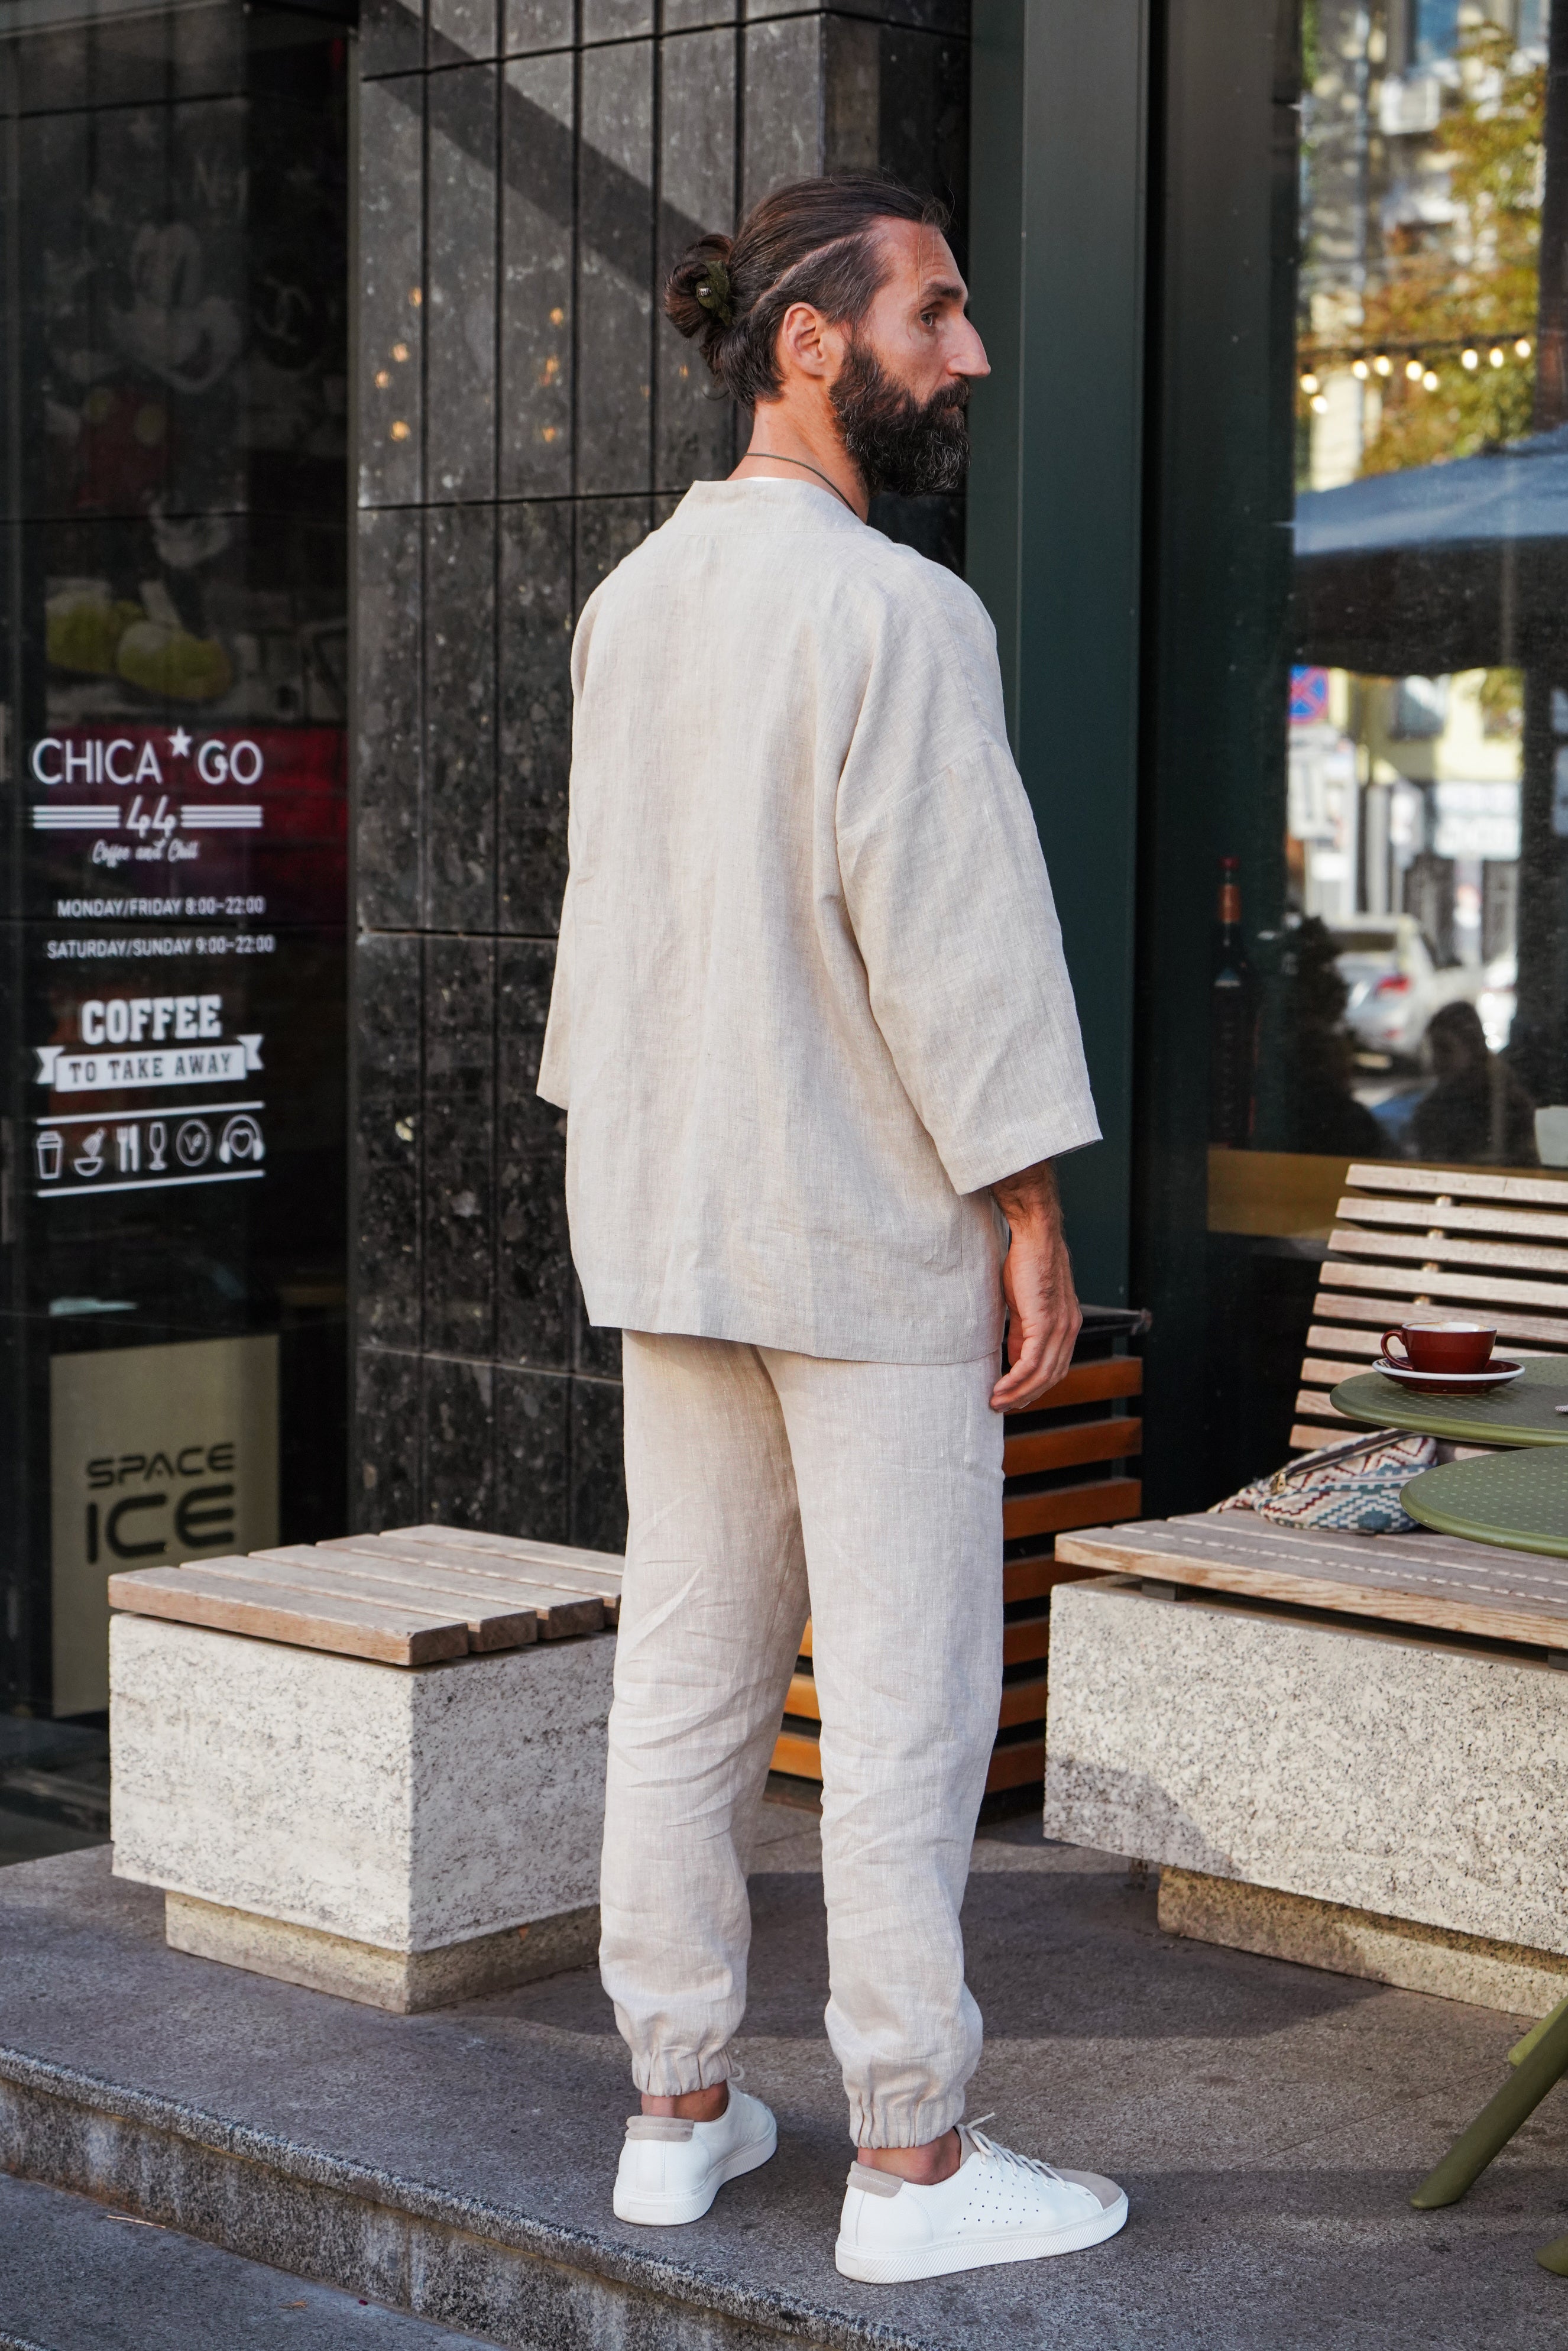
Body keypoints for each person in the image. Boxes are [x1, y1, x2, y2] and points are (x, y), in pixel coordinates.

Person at [537, 171, 1125, 2285]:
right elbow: (952, 939)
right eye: (936, 316)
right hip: (859, 1214)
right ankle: (914, 2154)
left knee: (687, 1673)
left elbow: (610, 935)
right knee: (902, 1697)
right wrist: (1027, 1204)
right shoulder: (899, 611)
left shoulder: (633, 600)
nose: (967, 356)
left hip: (673, 1205)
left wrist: (625, 1165)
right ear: (812, 339)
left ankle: (674, 2108)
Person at [1412, 1000, 1537, 1167]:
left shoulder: (1512, 1104)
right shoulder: (1431, 1110)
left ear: (1473, 1047)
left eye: (1445, 1050)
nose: (1436, 1062)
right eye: (1433, 1050)